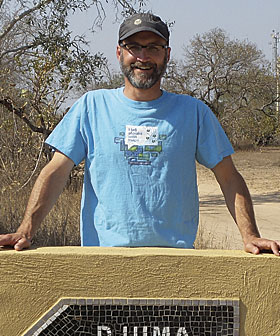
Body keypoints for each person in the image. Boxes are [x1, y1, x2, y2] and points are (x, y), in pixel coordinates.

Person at [0, 13, 279, 255]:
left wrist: (250, 236)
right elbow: (57, 171)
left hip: (175, 262)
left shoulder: (194, 112)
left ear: (167, 54)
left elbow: (229, 178)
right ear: (120, 52)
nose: (143, 57)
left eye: (154, 47)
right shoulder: (91, 107)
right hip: (103, 262)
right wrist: (26, 230)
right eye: (134, 47)